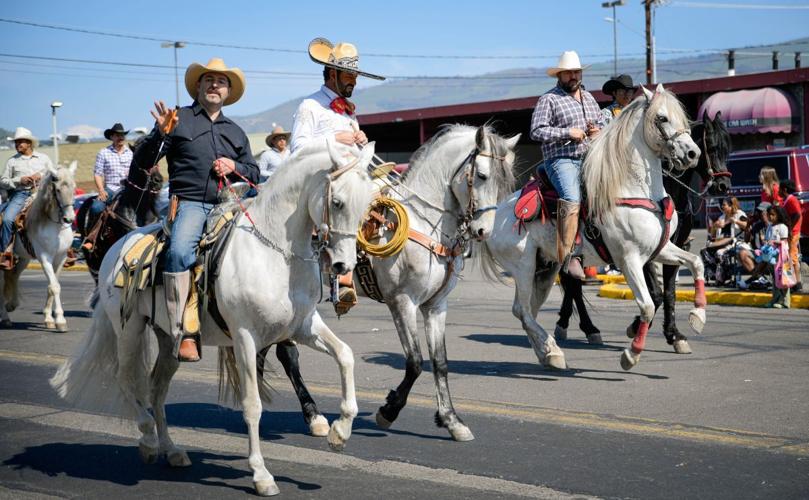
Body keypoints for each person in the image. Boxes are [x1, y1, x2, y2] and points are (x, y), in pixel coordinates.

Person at [133, 57, 259, 361]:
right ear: (199, 87)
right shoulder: (178, 119)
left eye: (221, 81)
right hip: (191, 204)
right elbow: (143, 163)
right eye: (209, 80)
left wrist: (235, 165)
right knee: (179, 252)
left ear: (228, 91)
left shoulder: (235, 131)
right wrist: (159, 134)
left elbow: (254, 173)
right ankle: (183, 331)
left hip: (231, 204)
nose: (215, 85)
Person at [290, 37, 385, 313]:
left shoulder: (348, 112)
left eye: (355, 75)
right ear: (332, 74)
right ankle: (343, 279)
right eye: (349, 75)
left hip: (350, 179)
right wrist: (335, 138)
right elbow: (297, 149)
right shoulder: (310, 105)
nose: (354, 81)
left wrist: (359, 141)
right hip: (322, 185)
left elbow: (350, 150)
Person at [530, 50, 605, 280]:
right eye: (568, 72)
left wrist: (598, 131)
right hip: (561, 160)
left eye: (576, 72)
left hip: (589, 158)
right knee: (572, 196)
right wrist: (567, 132)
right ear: (559, 75)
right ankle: (568, 255)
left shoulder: (589, 98)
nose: (573, 76)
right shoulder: (549, 99)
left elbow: (601, 121)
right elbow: (536, 131)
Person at [0, 127, 52, 270]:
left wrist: (40, 175)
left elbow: (54, 173)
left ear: (29, 143)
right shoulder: (12, 161)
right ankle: (6, 253)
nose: (17, 145)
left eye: (20, 142)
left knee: (62, 211)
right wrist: (19, 180)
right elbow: (3, 181)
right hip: (21, 194)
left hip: (42, 193)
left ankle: (67, 248)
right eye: (16, 142)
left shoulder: (44, 158)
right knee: (7, 219)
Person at [89, 123, 133, 219]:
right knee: (96, 208)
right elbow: (98, 174)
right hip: (110, 190)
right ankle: (93, 228)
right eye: (117, 135)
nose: (121, 137)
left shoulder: (131, 153)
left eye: (122, 135)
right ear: (111, 137)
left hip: (128, 190)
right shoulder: (103, 153)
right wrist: (101, 190)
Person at [700, 197, 747, 284]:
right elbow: (712, 235)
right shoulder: (722, 217)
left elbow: (747, 226)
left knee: (719, 253)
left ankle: (722, 277)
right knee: (704, 252)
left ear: (731, 206)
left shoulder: (739, 214)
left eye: (724, 205)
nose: (722, 207)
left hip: (733, 242)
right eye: (722, 205)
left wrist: (736, 221)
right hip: (721, 241)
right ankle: (714, 274)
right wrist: (714, 226)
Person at [760, 205, 791, 308]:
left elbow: (784, 241)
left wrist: (773, 242)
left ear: (778, 215)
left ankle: (784, 301)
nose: (770, 217)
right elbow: (768, 239)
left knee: (783, 278)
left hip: (781, 256)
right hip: (771, 257)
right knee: (775, 279)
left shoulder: (783, 227)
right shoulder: (770, 227)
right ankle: (775, 298)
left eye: (773, 215)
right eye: (769, 215)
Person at [780, 179, 803, 291]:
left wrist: (789, 228)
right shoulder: (786, 200)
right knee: (788, 257)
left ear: (784, 189)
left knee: (792, 257)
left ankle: (797, 283)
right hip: (789, 233)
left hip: (792, 233)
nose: (778, 191)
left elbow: (797, 214)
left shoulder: (792, 200)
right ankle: (791, 281)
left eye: (780, 189)